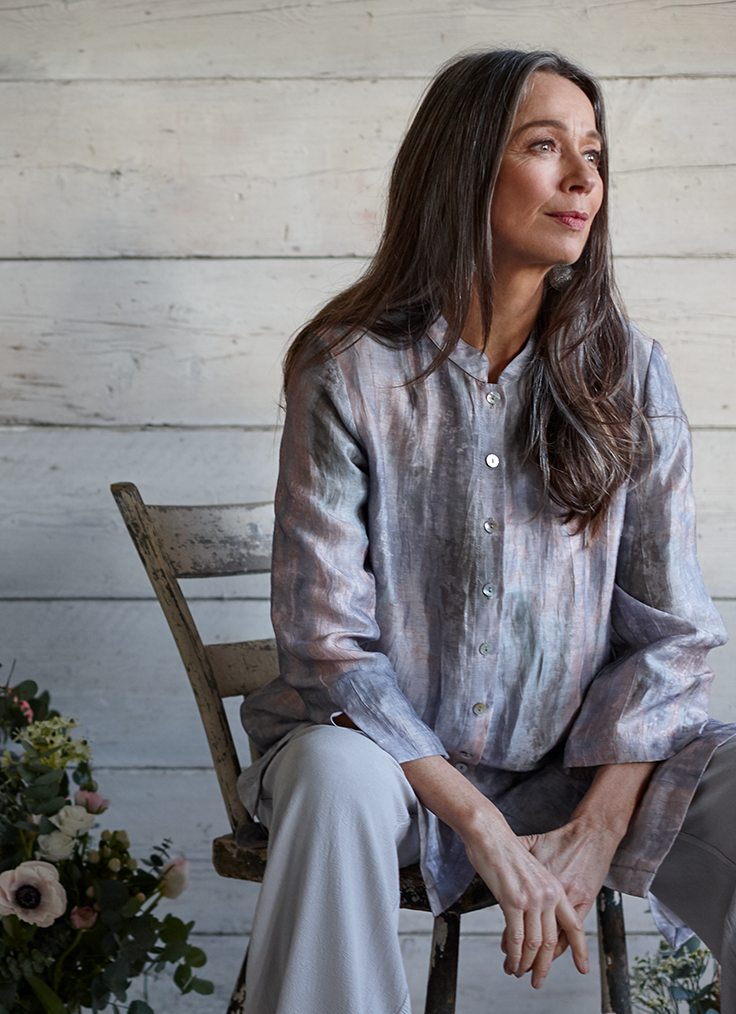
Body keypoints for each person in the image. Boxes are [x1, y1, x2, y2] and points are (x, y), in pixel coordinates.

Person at [237, 49, 736, 1013]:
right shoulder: (346, 369)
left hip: (577, 770)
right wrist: (480, 827)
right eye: (546, 147)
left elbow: (671, 642)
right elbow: (327, 644)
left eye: (594, 152)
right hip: (386, 761)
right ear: (465, 168)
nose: (585, 180)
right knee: (335, 779)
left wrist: (594, 832)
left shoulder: (630, 374)